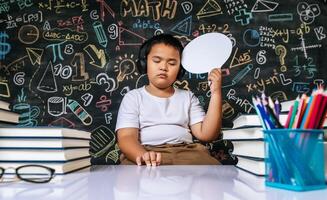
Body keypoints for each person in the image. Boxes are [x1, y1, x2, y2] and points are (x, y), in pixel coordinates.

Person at [115, 34, 222, 166]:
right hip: (145, 150)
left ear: (180, 69)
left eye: (172, 63)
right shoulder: (133, 97)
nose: (163, 67)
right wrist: (142, 155)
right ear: (144, 63)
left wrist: (216, 93)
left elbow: (207, 134)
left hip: (187, 152)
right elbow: (126, 137)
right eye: (156, 61)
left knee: (213, 171)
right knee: (127, 177)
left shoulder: (188, 97)